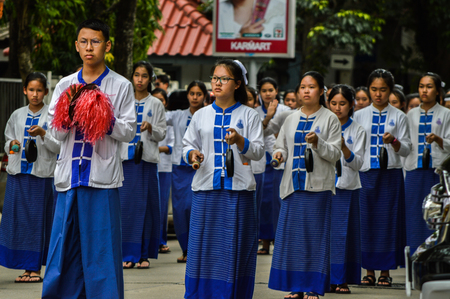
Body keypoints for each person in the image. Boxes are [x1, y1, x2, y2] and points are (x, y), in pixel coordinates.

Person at [42, 19, 137, 299]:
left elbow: (129, 130)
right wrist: (67, 113)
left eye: (95, 41)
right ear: (76, 46)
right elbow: (55, 133)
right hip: (69, 179)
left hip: (101, 179)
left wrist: (102, 118)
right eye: (83, 41)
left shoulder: (120, 85)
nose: (89, 47)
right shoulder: (64, 85)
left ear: (106, 46)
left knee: (102, 247)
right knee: (63, 245)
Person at [183, 59, 264, 299]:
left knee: (234, 247)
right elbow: (187, 145)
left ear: (237, 83)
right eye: (215, 78)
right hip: (205, 188)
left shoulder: (249, 115)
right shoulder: (201, 115)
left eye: (224, 79)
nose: (217, 83)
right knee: (202, 247)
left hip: (238, 190)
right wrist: (192, 154)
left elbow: (258, 151)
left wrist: (240, 140)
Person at [268, 71, 341, 299]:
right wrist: (279, 155)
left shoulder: (330, 118)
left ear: (321, 91)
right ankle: (296, 287)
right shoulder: (290, 118)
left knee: (315, 240)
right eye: (302, 87)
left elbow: (336, 154)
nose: (306, 91)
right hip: (292, 188)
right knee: (293, 241)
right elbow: (281, 146)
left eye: (311, 87)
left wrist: (318, 143)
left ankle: (314, 288)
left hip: (318, 188)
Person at [353, 69, 411, 288]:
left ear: (391, 90)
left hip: (391, 175)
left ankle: (385, 272)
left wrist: (394, 141)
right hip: (365, 174)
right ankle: (368, 271)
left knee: (388, 222)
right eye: (374, 89)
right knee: (366, 222)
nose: (378, 94)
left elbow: (406, 149)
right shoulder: (358, 115)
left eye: (383, 90)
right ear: (369, 89)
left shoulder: (400, 117)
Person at [0, 72, 59, 283]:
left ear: (46, 91)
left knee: (36, 222)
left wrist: (43, 133)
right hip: (17, 175)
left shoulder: (51, 117)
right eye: (31, 90)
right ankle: (24, 265)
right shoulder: (16, 115)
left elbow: (58, 147)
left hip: (40, 177)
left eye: (39, 90)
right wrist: (12, 146)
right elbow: (7, 142)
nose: (35, 94)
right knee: (18, 222)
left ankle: (34, 269)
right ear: (25, 90)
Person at [119, 61, 166, 269]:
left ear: (151, 79)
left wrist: (151, 127)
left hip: (146, 162)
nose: (139, 80)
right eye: (136, 75)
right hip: (125, 162)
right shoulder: (122, 101)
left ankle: (144, 254)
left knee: (146, 208)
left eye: (144, 76)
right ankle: (127, 254)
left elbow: (162, 133)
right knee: (125, 208)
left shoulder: (156, 103)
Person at [403, 72, 450, 254]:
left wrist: (438, 139)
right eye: (421, 86)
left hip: (436, 172)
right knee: (414, 215)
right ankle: (414, 256)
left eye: (429, 87)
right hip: (414, 172)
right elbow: (406, 143)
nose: (424, 90)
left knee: (436, 214)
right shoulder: (411, 114)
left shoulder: (446, 114)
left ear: (437, 91)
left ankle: (434, 254)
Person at [327, 84, 366, 294]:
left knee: (342, 236)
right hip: (323, 188)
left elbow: (358, 164)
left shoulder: (358, 130)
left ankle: (341, 279)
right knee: (324, 234)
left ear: (352, 105)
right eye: (333, 103)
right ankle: (324, 278)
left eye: (342, 104)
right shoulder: (321, 125)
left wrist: (344, 147)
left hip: (347, 188)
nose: (337, 108)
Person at [166, 80, 207, 263]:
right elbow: (158, 118)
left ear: (204, 96)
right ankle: (186, 250)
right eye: (192, 93)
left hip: (203, 166)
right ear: (187, 95)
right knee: (180, 209)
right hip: (180, 167)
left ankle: (198, 250)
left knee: (196, 207)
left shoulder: (209, 115)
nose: (195, 97)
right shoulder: (177, 116)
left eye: (199, 94)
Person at [256, 77, 291, 255]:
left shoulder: (286, 111)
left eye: (271, 90)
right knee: (264, 203)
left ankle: (280, 241)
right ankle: (265, 242)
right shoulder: (254, 112)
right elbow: (256, 135)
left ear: (277, 91)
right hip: (262, 163)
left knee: (279, 203)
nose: (268, 94)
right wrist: (268, 117)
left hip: (281, 163)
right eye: (264, 90)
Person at [152, 88, 174, 254]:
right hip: (146, 164)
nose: (158, 103)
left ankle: (160, 240)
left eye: (161, 100)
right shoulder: (145, 115)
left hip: (164, 167)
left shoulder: (169, 120)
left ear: (165, 102)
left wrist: (154, 149)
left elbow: (171, 146)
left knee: (161, 206)